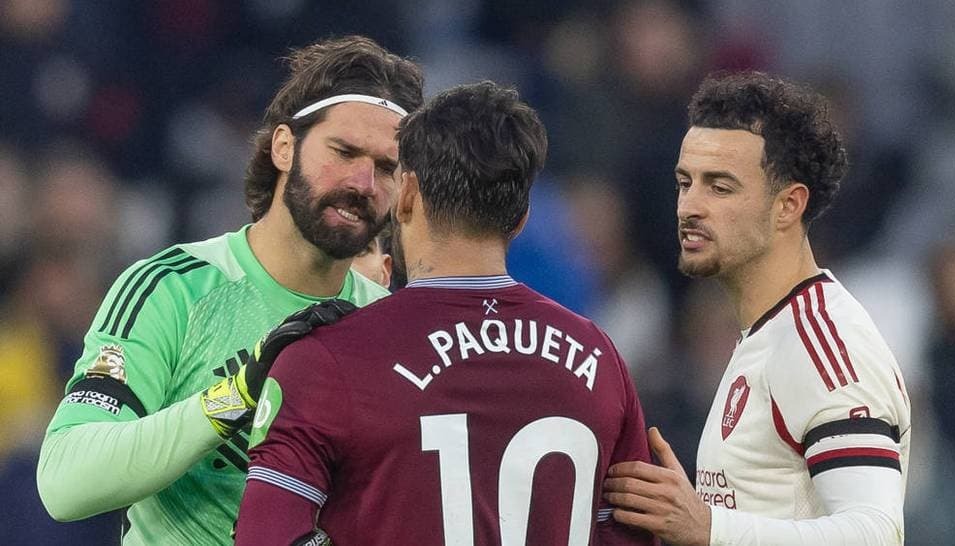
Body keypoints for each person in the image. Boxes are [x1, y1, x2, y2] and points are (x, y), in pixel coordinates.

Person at [36, 35, 424, 545]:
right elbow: (65, 482)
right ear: (284, 147)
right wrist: (232, 398)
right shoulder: (173, 289)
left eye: (387, 167)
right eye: (344, 151)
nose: (364, 182)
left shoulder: (395, 328)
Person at [233, 81, 658, 545]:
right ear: (520, 218)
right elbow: (634, 532)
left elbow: (265, 537)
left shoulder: (329, 359)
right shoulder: (598, 357)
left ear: (408, 193)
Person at [603, 71, 911, 545]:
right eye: (685, 183)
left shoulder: (821, 343)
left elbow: (875, 532)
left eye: (719, 187)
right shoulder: (766, 333)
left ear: (788, 205)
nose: (690, 206)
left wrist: (707, 527)